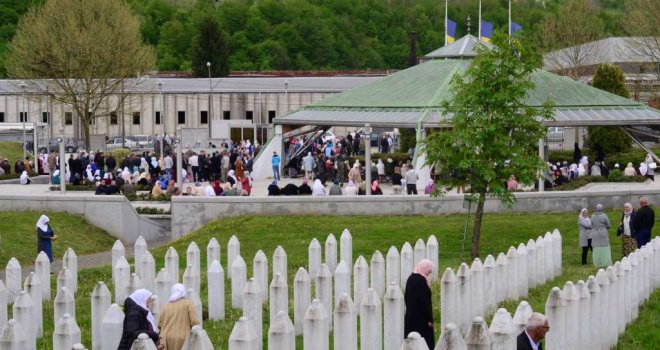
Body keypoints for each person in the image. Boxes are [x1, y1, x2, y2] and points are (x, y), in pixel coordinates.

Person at [157, 284, 199, 350]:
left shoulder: (166, 306)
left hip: (167, 338)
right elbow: (194, 321)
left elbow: (159, 324)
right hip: (183, 337)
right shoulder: (188, 303)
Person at [404, 259, 435, 348]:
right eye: (428, 272)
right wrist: (430, 319)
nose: (428, 274)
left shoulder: (410, 278)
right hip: (422, 320)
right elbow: (425, 303)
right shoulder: (421, 281)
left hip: (410, 317)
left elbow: (406, 297)